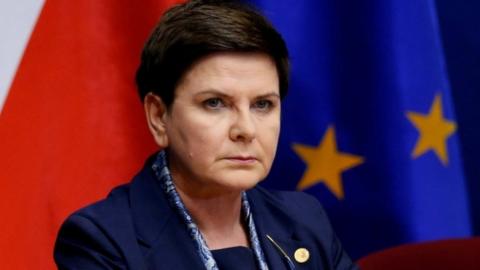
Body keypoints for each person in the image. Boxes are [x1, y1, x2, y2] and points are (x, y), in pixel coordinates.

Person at [54, 0, 358, 269]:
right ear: (159, 116)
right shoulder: (102, 241)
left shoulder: (304, 220)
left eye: (262, 104)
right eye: (215, 103)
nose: (246, 130)